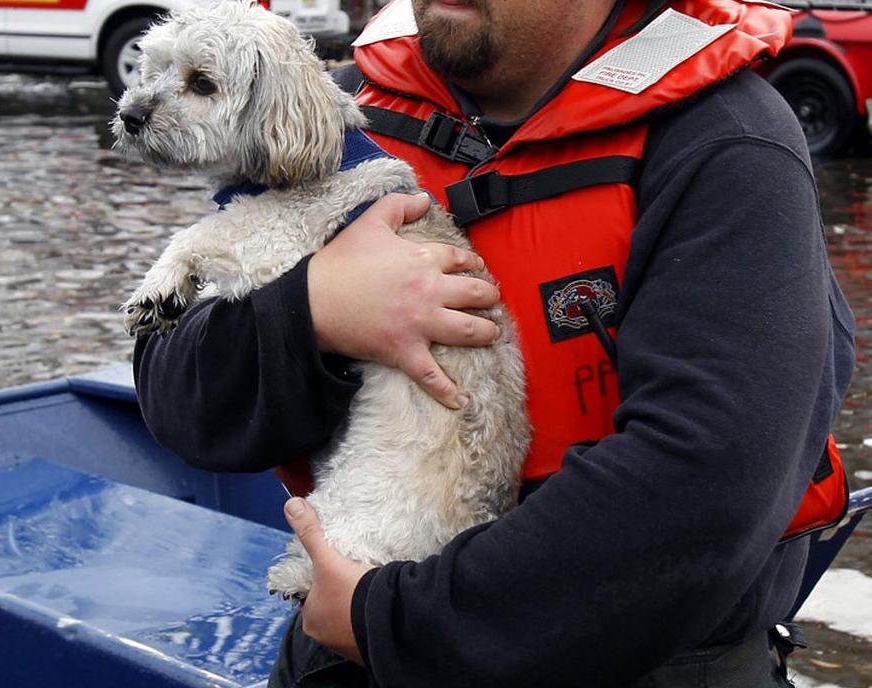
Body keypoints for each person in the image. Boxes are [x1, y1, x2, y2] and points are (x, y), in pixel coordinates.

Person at [133, 0, 856, 686]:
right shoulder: (331, 117)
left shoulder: (727, 144)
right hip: (345, 635)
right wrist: (313, 311)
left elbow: (707, 488)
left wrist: (391, 620)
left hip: (623, 658)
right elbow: (176, 396)